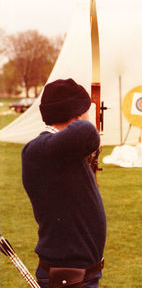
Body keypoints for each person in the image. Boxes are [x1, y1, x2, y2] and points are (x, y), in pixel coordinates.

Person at [21, 78, 106, 288]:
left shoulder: (62, 152)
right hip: (67, 279)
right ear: (76, 114)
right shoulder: (38, 150)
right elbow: (86, 133)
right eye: (87, 111)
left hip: (81, 275)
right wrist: (87, 122)